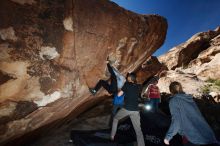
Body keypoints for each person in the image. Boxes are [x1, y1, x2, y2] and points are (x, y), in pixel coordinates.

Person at [164, 81, 219, 146]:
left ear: (171, 91)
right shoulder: (189, 98)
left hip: (193, 138)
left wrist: (168, 137)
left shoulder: (174, 101)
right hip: (206, 134)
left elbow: (176, 120)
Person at [111, 73, 145, 146]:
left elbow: (119, 95)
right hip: (136, 110)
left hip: (127, 108)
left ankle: (112, 135)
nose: (126, 78)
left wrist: (121, 90)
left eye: (127, 77)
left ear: (129, 78)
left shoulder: (126, 85)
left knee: (116, 119)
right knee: (138, 130)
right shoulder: (139, 86)